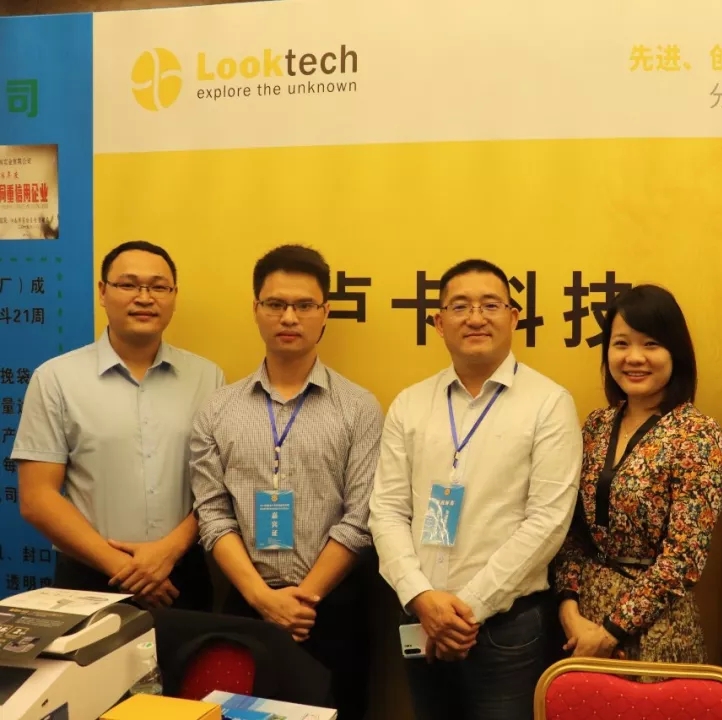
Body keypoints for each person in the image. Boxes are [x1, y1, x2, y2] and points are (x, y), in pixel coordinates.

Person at [369, 258, 583, 720]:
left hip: (508, 630)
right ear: (438, 322)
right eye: (460, 306)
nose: (475, 317)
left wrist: (465, 611)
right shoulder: (410, 403)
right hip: (421, 619)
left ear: (514, 317)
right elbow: (386, 510)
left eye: (490, 305)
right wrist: (421, 598)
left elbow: (548, 522)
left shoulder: (549, 403)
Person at [189, 244, 382, 720]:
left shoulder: (359, 407)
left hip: (333, 608)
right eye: (275, 304)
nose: (289, 317)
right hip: (246, 602)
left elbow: (360, 517)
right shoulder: (218, 408)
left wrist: (301, 601)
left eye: (304, 305)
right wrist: (263, 599)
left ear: (325, 313)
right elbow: (212, 513)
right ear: (256, 309)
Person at [13, 240, 223, 611]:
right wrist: (125, 569)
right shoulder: (56, 379)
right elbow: (37, 498)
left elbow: (219, 487)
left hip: (182, 573)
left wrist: (168, 552)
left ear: (174, 296)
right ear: (102, 292)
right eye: (128, 284)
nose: (144, 298)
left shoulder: (207, 378)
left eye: (159, 287)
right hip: (89, 577)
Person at [552, 284, 722, 669]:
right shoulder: (597, 425)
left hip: (657, 632)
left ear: (675, 353)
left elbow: (683, 559)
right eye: (621, 344)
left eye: (651, 344)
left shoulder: (697, 435)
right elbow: (572, 530)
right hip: (581, 627)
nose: (634, 358)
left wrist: (609, 633)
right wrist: (568, 609)